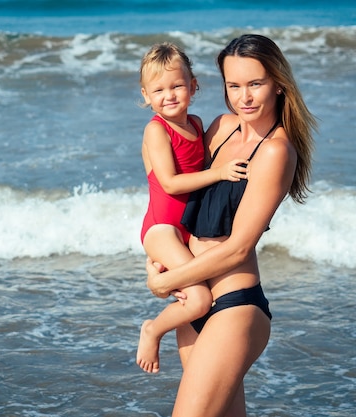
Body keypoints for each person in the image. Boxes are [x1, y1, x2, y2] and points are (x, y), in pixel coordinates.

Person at [145, 34, 317, 416]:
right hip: (194, 303)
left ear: (278, 84)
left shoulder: (275, 151)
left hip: (235, 307)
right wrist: (156, 253)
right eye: (233, 85)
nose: (245, 97)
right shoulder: (221, 127)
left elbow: (239, 247)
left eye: (255, 84)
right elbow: (176, 196)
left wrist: (167, 281)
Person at [137, 42, 248, 374]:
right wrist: (219, 173)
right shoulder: (157, 130)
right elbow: (169, 183)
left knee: (194, 302)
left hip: (183, 231)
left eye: (177, 86)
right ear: (145, 95)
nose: (169, 95)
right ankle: (152, 329)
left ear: (193, 86)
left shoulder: (197, 124)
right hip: (161, 228)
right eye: (158, 89)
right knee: (199, 300)